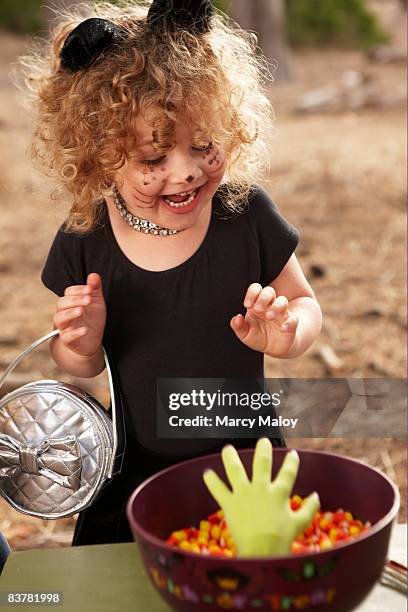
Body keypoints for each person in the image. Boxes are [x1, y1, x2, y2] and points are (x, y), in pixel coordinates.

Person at [18, 0, 322, 545]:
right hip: (135, 465)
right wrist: (81, 342)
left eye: (203, 145)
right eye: (152, 160)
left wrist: (289, 331)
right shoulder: (88, 235)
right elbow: (75, 360)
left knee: (253, 569)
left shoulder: (244, 214)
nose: (184, 171)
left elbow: (304, 303)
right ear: (99, 153)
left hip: (245, 461)